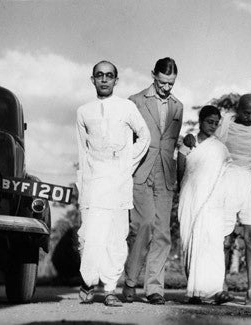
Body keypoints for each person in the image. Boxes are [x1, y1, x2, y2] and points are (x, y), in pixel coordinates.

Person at [184, 94, 251, 306]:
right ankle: (219, 287)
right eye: (246, 113)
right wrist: (191, 139)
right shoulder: (224, 124)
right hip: (225, 180)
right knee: (220, 235)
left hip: (249, 181)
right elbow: (208, 143)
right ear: (238, 110)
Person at [76, 60, 151, 307]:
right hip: (94, 182)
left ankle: (109, 289)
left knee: (116, 236)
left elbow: (145, 136)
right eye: (100, 75)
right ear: (93, 79)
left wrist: (127, 164)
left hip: (119, 182)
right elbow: (82, 152)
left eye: (109, 75)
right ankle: (88, 282)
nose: (104, 79)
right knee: (90, 235)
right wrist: (83, 185)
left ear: (116, 80)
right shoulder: (83, 111)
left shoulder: (126, 107)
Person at [124, 57, 183, 305]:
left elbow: (171, 143)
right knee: (144, 225)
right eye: (162, 82)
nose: (166, 88)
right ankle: (129, 283)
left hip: (166, 175)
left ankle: (154, 289)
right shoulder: (135, 102)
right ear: (153, 75)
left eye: (171, 83)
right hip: (140, 171)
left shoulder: (178, 106)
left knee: (162, 233)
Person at [177, 105, 221, 186]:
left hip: (211, 190)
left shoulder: (218, 146)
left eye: (216, 123)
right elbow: (180, 173)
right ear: (200, 121)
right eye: (210, 122)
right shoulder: (188, 144)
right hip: (189, 189)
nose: (213, 126)